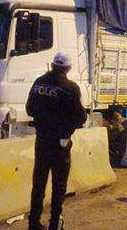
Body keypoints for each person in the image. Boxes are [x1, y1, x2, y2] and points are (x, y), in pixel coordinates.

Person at [26, 52, 87, 230]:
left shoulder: (39, 83)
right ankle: (55, 223)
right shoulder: (70, 87)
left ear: (52, 65)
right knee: (59, 184)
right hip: (60, 142)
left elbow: (30, 109)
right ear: (68, 68)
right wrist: (66, 130)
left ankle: (33, 222)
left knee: (39, 183)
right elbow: (80, 117)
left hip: (42, 140)